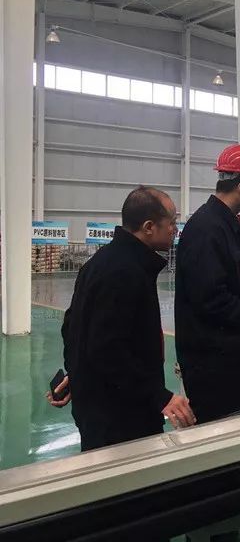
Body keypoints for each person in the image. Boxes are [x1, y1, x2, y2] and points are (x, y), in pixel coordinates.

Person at [52, 187, 195, 451]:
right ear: (149, 227)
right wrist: (159, 396)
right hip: (120, 418)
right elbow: (107, 350)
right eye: (172, 222)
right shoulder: (125, 273)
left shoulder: (102, 262)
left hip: (101, 406)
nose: (175, 229)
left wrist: (78, 374)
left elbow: (73, 326)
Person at [175, 144, 240, 424]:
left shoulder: (222, 224)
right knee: (235, 433)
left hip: (226, 357)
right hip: (213, 364)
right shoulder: (208, 229)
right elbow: (211, 298)